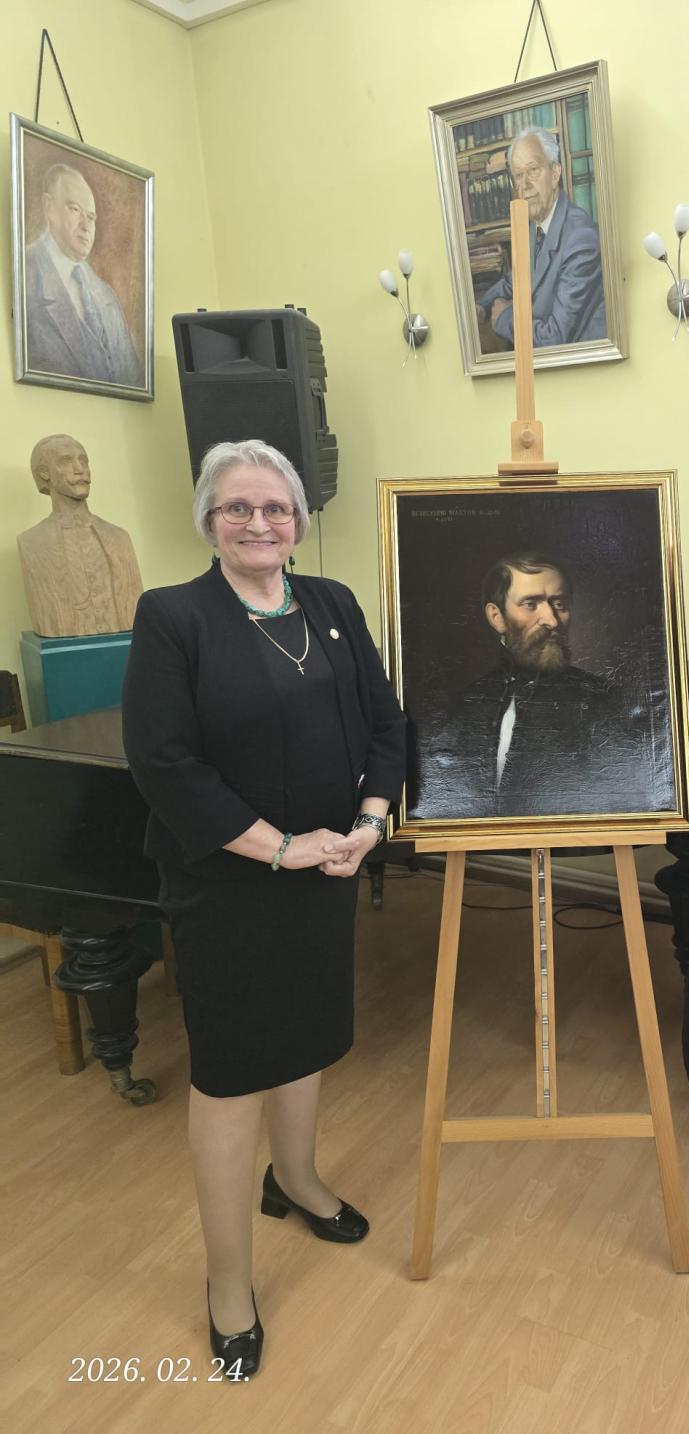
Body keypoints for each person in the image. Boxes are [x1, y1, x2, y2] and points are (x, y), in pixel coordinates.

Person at [122, 439, 405, 1379]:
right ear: (209, 519)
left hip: (327, 867)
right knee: (233, 1073)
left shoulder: (332, 604)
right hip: (229, 882)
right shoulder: (175, 617)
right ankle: (229, 1281)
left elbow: (386, 723)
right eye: (238, 507)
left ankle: (299, 1180)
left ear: (299, 520)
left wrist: (369, 822)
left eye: (276, 507)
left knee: (307, 1040)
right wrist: (281, 847)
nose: (259, 522)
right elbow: (163, 765)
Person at [416, 550, 623, 819]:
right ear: (497, 617)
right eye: (531, 604)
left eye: (559, 604)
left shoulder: (603, 702)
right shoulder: (464, 707)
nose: (551, 620)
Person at [476, 127, 607, 349]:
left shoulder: (581, 239)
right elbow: (516, 279)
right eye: (518, 175)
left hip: (578, 364)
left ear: (555, 174)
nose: (525, 185)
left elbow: (556, 337)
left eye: (533, 170)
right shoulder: (534, 224)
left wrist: (505, 317)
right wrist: (482, 304)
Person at [23, 163, 143, 387]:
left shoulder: (106, 295)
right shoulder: (25, 276)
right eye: (75, 209)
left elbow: (133, 381)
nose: (86, 226)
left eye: (91, 217)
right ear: (49, 207)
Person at [17, 433, 143, 637]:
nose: (79, 468)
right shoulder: (32, 543)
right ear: (44, 473)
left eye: (83, 460)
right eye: (66, 461)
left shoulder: (119, 538)